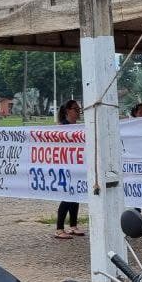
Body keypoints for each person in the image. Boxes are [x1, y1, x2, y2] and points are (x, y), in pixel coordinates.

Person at [54, 100, 85, 239]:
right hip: (65, 166)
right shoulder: (62, 127)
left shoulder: (78, 127)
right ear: (67, 111)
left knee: (76, 195)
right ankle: (59, 228)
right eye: (75, 109)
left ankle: (73, 225)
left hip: (77, 165)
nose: (78, 112)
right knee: (67, 196)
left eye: (79, 109)